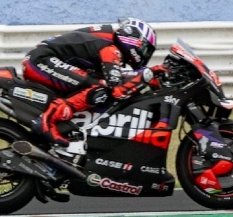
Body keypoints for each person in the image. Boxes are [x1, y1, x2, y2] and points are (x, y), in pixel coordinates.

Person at [22, 18, 159, 149]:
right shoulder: (110, 49)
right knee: (100, 87)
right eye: (145, 49)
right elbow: (116, 88)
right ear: (135, 40)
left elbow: (118, 76)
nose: (145, 55)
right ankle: (47, 121)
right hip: (41, 61)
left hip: (42, 58)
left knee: (97, 83)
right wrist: (147, 74)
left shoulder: (107, 39)